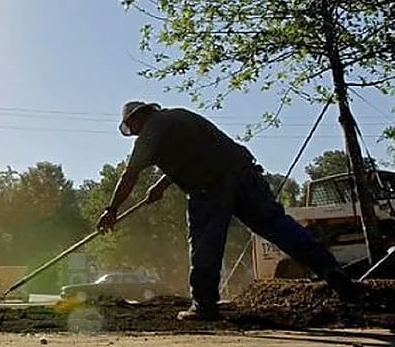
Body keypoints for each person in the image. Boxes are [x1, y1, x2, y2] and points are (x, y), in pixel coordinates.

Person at [97, 100, 357, 321]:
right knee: (276, 224)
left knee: (205, 243)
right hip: (243, 172)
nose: (134, 133)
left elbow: (129, 174)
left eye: (132, 127)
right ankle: (330, 270)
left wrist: (112, 209)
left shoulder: (151, 129)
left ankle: (204, 305)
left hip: (208, 185)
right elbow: (195, 153)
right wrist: (162, 185)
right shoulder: (180, 116)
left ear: (137, 118)